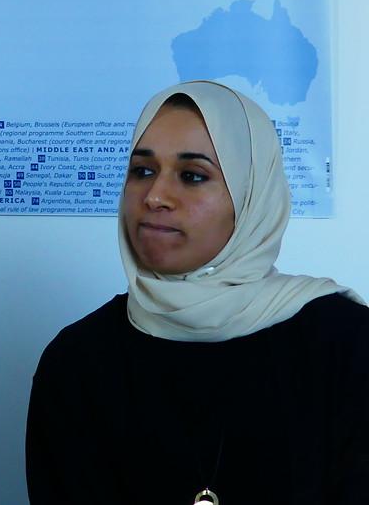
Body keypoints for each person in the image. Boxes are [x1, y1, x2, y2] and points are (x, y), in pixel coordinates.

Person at [26, 80, 369, 504]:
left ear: (251, 196)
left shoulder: (345, 343)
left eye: (192, 176)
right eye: (142, 171)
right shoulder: (77, 360)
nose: (155, 196)